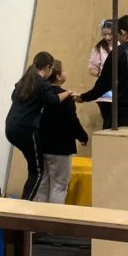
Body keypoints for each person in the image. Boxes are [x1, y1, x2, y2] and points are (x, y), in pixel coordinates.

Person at [5, 51, 60, 200]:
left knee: (32, 165)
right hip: (26, 130)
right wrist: (67, 93)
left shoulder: (25, 81)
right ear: (47, 67)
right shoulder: (42, 83)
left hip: (10, 127)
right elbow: (53, 101)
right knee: (37, 171)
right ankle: (25, 204)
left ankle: (25, 202)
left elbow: (14, 97)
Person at [34, 60, 88, 204]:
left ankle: (38, 216)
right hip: (61, 147)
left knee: (42, 185)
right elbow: (72, 120)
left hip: (41, 145)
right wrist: (82, 136)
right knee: (59, 186)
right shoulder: (65, 96)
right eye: (64, 70)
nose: (65, 73)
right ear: (58, 76)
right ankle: (53, 217)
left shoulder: (39, 94)